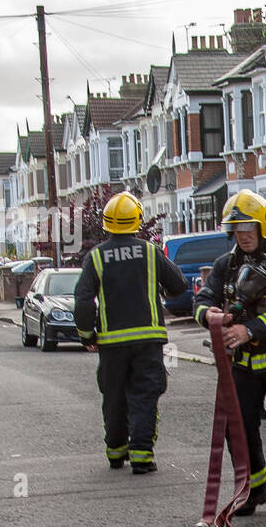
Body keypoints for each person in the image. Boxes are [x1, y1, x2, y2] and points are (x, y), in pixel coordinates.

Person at [193, 190, 266, 524]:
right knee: (238, 429)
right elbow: (202, 299)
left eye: (249, 227)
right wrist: (210, 315)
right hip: (241, 365)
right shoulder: (225, 265)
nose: (243, 234)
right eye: (237, 228)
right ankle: (253, 490)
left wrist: (249, 330)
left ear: (263, 226)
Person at [74, 191, 188, 474]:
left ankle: (115, 452)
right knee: (145, 396)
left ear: (107, 223)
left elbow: (83, 299)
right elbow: (179, 285)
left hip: (112, 344)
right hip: (147, 341)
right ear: (137, 219)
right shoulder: (150, 252)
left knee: (113, 396)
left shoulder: (96, 257)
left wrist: (87, 334)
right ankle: (141, 456)